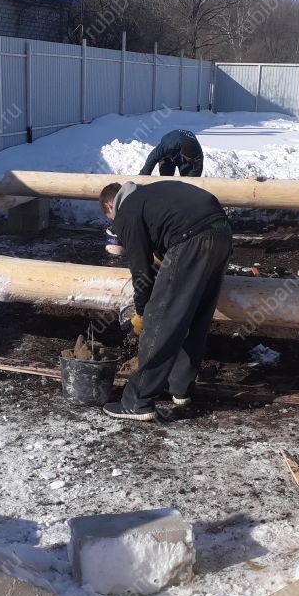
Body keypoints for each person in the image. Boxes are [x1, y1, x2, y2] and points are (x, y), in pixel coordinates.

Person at [98, 180, 232, 420]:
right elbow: (160, 250)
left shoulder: (126, 211)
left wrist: (141, 313)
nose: (113, 225)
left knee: (161, 321)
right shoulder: (151, 196)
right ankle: (180, 388)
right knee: (196, 316)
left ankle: (137, 401)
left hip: (191, 239)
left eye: (109, 219)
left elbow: (141, 271)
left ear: (110, 205)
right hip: (222, 231)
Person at [139, 129, 204, 177]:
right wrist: (143, 175)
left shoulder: (198, 154)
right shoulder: (168, 145)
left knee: (188, 182)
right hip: (168, 156)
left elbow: (197, 171)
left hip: (183, 157)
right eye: (189, 159)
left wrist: (191, 184)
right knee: (166, 180)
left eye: (192, 159)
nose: (191, 159)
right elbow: (153, 157)